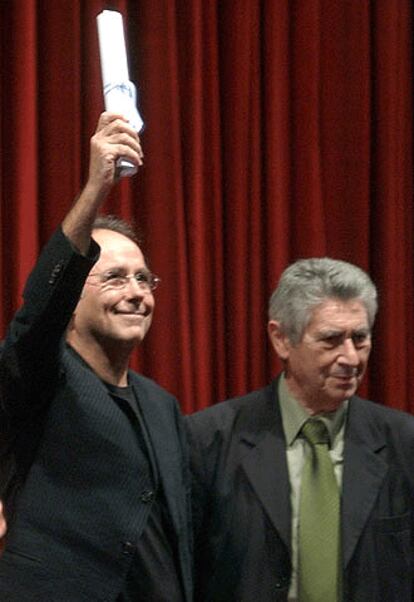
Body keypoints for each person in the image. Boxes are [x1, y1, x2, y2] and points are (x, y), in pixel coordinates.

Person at [0, 112, 192, 601]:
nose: (136, 293)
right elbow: (39, 313)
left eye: (143, 279)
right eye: (113, 278)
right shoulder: (42, 375)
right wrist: (96, 188)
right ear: (73, 295)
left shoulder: (163, 406)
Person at [186, 257, 414, 602]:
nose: (351, 358)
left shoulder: (404, 441)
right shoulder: (209, 440)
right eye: (331, 340)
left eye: (360, 338)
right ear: (281, 340)